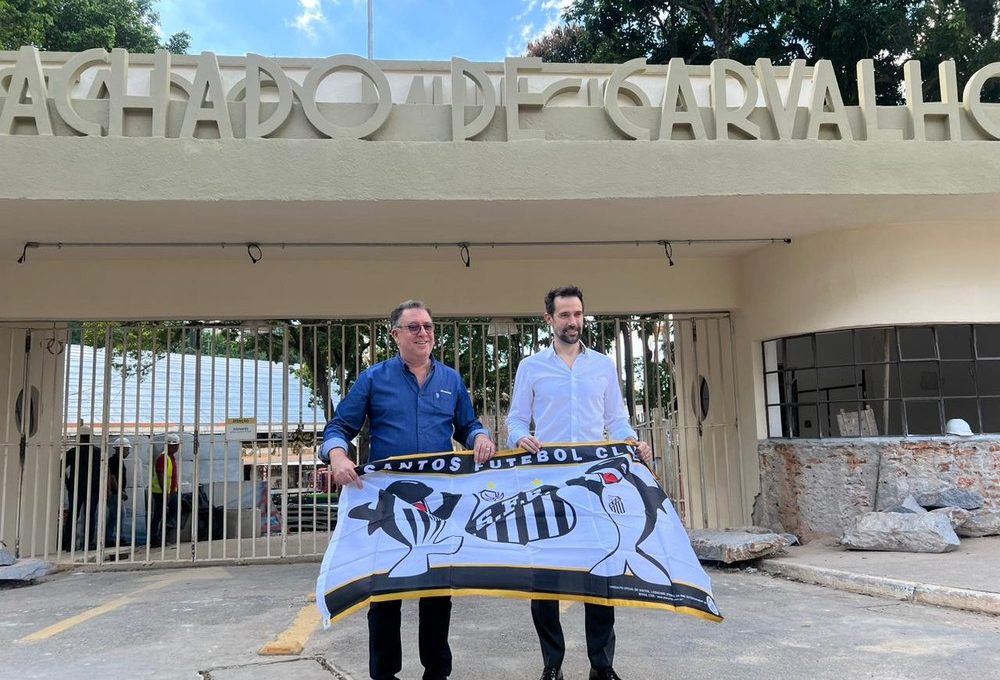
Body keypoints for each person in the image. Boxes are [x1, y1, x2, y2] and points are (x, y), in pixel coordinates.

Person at [320, 299, 496, 680]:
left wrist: (479, 436)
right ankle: (384, 674)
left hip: (436, 504)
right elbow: (339, 427)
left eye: (429, 326)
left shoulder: (450, 380)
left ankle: (437, 672)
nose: (423, 333)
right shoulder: (373, 379)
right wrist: (337, 456)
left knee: (436, 591)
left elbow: (467, 424)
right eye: (414, 327)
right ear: (395, 334)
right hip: (387, 503)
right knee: (385, 595)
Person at [507, 285, 653, 680]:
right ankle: (552, 663)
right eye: (565, 315)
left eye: (578, 314)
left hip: (594, 488)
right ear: (549, 320)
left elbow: (617, 420)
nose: (573, 322)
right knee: (546, 581)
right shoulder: (531, 367)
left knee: (601, 576)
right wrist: (519, 437)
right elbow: (516, 421)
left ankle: (601, 665)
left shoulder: (602, 366)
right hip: (546, 486)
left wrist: (631, 441)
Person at [62, 425, 102, 551]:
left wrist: (67, 482)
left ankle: (69, 544)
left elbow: (61, 466)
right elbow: (105, 470)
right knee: (90, 515)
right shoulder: (98, 452)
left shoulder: (74, 452)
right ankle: (88, 543)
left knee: (73, 515)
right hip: (92, 488)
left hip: (76, 487)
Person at [150, 433, 180, 545]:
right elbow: (161, 475)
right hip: (161, 492)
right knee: (158, 515)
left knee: (172, 511)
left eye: (177, 445)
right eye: (174, 445)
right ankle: (155, 539)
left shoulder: (170, 458)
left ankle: (164, 534)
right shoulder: (163, 458)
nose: (176, 447)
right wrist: (165, 492)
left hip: (170, 492)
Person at [106, 437, 132, 545]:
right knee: (120, 515)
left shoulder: (117, 461)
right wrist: (119, 490)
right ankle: (120, 538)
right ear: (120, 449)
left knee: (113, 516)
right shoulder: (113, 461)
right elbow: (112, 477)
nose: (128, 452)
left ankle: (108, 538)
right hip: (114, 493)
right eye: (127, 449)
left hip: (116, 492)